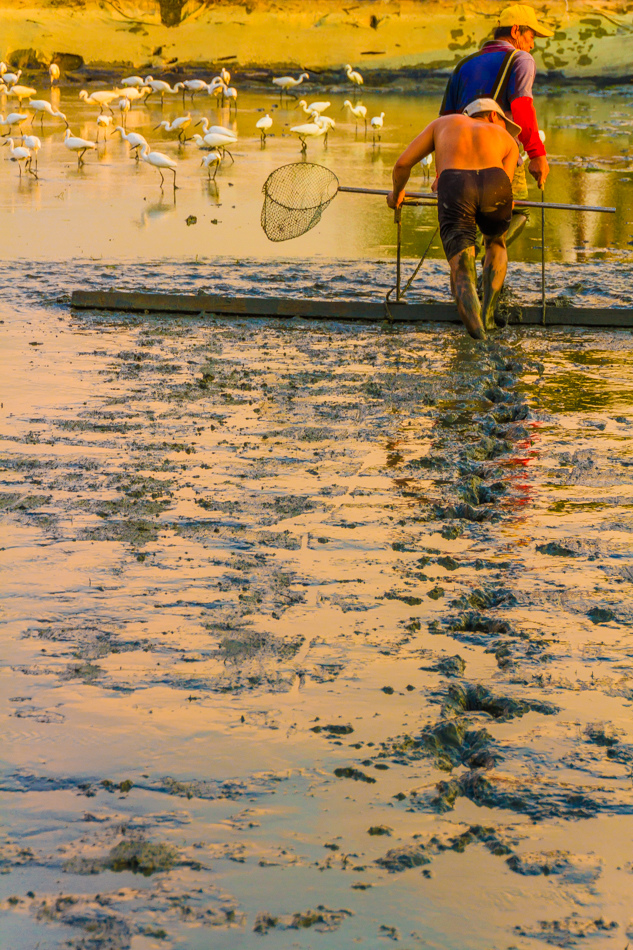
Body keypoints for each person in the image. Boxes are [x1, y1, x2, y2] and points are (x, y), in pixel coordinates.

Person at [387, 99, 519, 340]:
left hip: (456, 184)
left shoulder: (443, 123)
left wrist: (396, 194)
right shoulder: (508, 139)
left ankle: (479, 338)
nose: (504, 125)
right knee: (495, 242)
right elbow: (507, 186)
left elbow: (402, 164)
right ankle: (489, 315)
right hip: (496, 184)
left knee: (462, 267)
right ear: (492, 116)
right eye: (503, 120)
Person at [440, 3, 552, 247]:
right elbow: (522, 107)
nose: (532, 44)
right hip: (500, 156)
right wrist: (537, 154)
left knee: (464, 226)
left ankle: (470, 271)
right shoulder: (521, 59)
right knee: (519, 212)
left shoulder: (463, 65)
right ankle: (485, 262)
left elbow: (445, 121)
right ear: (515, 32)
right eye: (531, 36)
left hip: (459, 158)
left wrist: (441, 171)